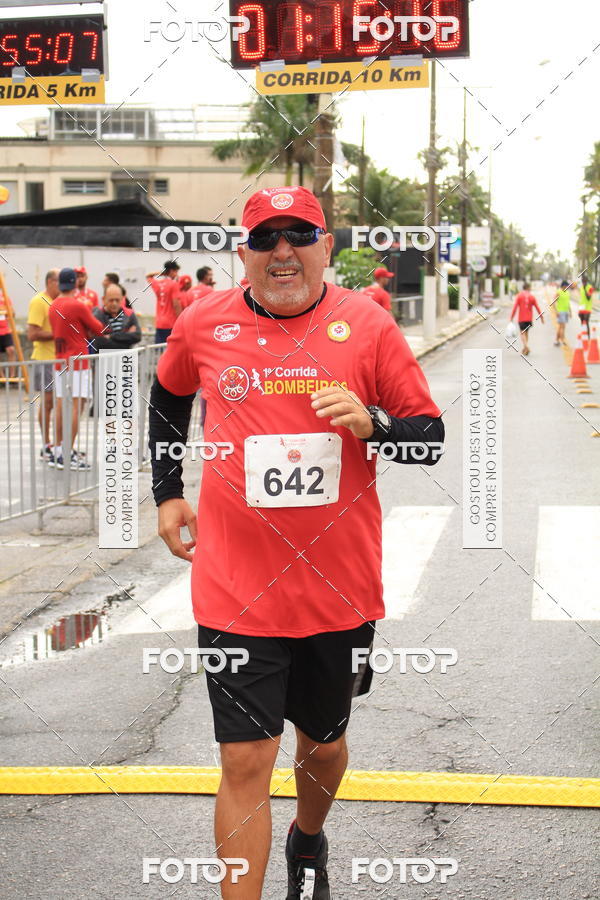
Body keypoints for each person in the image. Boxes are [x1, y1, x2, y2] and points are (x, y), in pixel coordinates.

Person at [148, 186, 444, 900]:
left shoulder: (367, 323)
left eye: (299, 235)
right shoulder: (203, 320)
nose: (283, 251)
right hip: (234, 587)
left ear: (325, 246)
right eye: (265, 237)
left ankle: (307, 837)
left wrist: (374, 423)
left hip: (337, 590)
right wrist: (167, 492)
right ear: (243, 252)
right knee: (245, 761)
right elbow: (166, 398)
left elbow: (428, 438)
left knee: (323, 747)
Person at [48, 267, 105, 470]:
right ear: (74, 283)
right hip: (78, 362)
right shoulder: (77, 305)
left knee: (62, 404)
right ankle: (67, 452)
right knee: (76, 406)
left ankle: (57, 449)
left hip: (60, 360)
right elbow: (99, 329)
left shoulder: (53, 305)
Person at [27, 269, 60, 460]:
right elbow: (32, 334)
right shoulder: (39, 301)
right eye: (59, 281)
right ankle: (46, 443)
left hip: (59, 359)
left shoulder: (59, 301)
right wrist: (59, 334)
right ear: (50, 282)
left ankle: (58, 444)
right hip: (44, 358)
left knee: (60, 403)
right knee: (48, 403)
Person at [91, 283, 141, 349]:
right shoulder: (97, 315)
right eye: (111, 300)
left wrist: (111, 337)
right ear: (103, 300)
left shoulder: (129, 314)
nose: (114, 303)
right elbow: (99, 342)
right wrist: (126, 339)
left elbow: (137, 336)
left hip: (126, 358)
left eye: (117, 300)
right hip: (104, 357)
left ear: (122, 299)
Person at [146, 259, 181, 343]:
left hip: (159, 323)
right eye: (176, 271)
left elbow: (148, 276)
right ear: (172, 271)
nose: (177, 274)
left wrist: (161, 273)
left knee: (159, 350)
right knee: (170, 350)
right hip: (171, 323)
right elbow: (176, 305)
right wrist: (181, 320)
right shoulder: (174, 284)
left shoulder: (157, 284)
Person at [510, 281, 544, 355]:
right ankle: (525, 348)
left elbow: (515, 307)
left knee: (522, 333)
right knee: (526, 333)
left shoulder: (519, 296)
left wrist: (511, 317)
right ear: (528, 288)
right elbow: (537, 307)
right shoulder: (532, 297)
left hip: (521, 319)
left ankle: (526, 346)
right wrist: (541, 317)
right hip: (529, 319)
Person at [0, 286, 17, 379]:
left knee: (11, 350)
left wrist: (7, 311)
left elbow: (13, 313)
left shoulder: (4, 297)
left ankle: (12, 376)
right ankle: (2, 376)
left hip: (5, 329)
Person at [554, 280, 571, 346]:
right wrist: (556, 311)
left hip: (565, 311)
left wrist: (570, 311)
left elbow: (568, 302)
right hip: (560, 312)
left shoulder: (567, 292)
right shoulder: (558, 292)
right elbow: (554, 302)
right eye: (567, 286)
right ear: (563, 286)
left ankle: (557, 340)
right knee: (562, 327)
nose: (567, 287)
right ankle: (562, 340)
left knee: (561, 327)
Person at [579, 275, 594, 340]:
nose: (583, 282)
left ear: (586, 281)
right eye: (582, 281)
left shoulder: (590, 287)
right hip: (581, 308)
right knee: (582, 322)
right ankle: (583, 335)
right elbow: (582, 298)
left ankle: (588, 337)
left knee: (586, 322)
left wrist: (585, 289)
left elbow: (588, 298)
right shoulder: (581, 287)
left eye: (584, 281)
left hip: (588, 308)